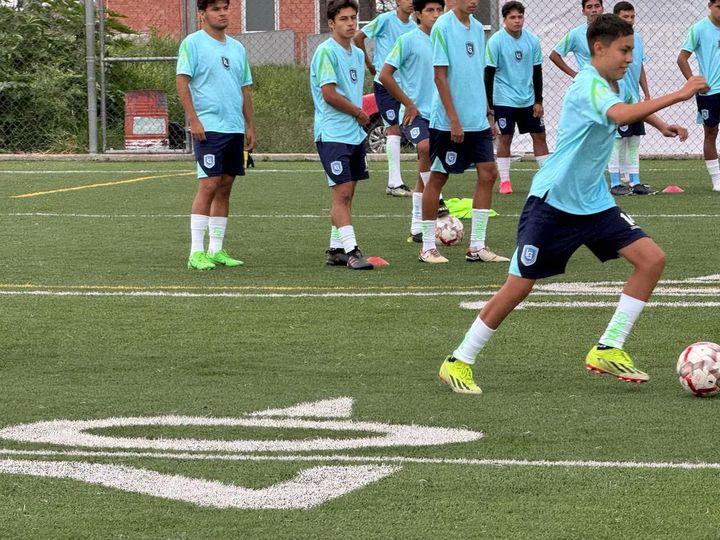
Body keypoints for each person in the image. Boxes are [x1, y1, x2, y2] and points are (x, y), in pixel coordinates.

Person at [437, 14, 707, 394]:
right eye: (624, 50)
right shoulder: (588, 86)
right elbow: (620, 114)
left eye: (632, 50)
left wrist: (664, 126)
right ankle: (459, 360)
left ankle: (609, 346)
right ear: (599, 48)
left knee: (652, 260)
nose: (630, 58)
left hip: (594, 201)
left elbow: (629, 105)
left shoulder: (610, 84)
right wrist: (681, 93)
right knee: (518, 287)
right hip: (554, 202)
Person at [419, 0, 508, 265]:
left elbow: (476, 75)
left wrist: (488, 112)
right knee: (437, 177)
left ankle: (477, 246)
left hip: (477, 121)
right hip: (448, 122)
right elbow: (439, 77)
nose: (474, 1)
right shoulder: (443, 27)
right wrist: (454, 120)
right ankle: (426, 247)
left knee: (488, 173)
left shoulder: (479, 28)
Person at [176, 0, 255, 271]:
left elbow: (245, 88)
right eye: (215, 9)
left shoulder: (237, 47)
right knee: (208, 184)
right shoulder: (193, 43)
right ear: (202, 14)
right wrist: (194, 119)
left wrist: (250, 126)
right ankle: (195, 253)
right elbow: (182, 81)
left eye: (225, 8)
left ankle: (216, 250)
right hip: (208, 127)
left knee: (225, 186)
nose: (222, 13)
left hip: (233, 128)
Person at [310, 0, 374, 270]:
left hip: (353, 133)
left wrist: (357, 119)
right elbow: (329, 94)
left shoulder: (357, 54)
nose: (350, 23)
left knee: (349, 194)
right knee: (342, 192)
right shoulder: (326, 52)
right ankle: (352, 251)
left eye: (353, 18)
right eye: (344, 19)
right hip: (332, 132)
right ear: (331, 23)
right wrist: (358, 113)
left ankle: (336, 249)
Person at [379, 0, 447, 244]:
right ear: (419, 14)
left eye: (440, 10)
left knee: (423, 170)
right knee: (424, 148)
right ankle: (437, 199)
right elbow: (384, 75)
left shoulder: (445, 41)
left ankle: (417, 227)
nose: (436, 15)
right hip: (414, 115)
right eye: (430, 10)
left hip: (441, 115)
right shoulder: (407, 40)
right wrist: (407, 103)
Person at [484, 1, 548, 195]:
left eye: (520, 17)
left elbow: (537, 72)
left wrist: (539, 100)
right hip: (503, 99)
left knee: (540, 135)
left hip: (528, 99)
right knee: (505, 137)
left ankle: (546, 179)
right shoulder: (496, 41)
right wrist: (490, 106)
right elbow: (489, 74)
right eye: (512, 17)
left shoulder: (532, 41)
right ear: (504, 20)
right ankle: (505, 181)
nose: (517, 21)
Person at [354, 0, 416, 197]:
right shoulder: (385, 20)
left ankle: (425, 180)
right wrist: (369, 64)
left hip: (406, 86)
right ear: (397, 1)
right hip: (385, 84)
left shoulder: (414, 28)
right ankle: (394, 183)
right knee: (394, 130)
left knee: (414, 129)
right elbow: (358, 37)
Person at [607, 1, 654, 196]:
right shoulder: (610, 42)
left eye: (632, 16)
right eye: (625, 17)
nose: (629, 20)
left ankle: (635, 181)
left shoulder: (638, 40)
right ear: (616, 17)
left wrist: (647, 93)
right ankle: (615, 182)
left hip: (634, 99)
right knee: (617, 141)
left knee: (634, 139)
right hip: (618, 99)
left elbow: (640, 67)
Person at [678, 0, 720, 192]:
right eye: (719, 6)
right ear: (710, 5)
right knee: (711, 133)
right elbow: (682, 59)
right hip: (709, 92)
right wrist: (694, 83)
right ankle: (717, 181)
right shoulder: (699, 29)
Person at [549, 0, 603, 78]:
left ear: (602, 8)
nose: (594, 10)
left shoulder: (613, 30)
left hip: (610, 83)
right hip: (588, 83)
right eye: (589, 7)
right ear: (583, 11)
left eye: (597, 6)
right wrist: (574, 74)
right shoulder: (576, 34)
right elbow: (554, 55)